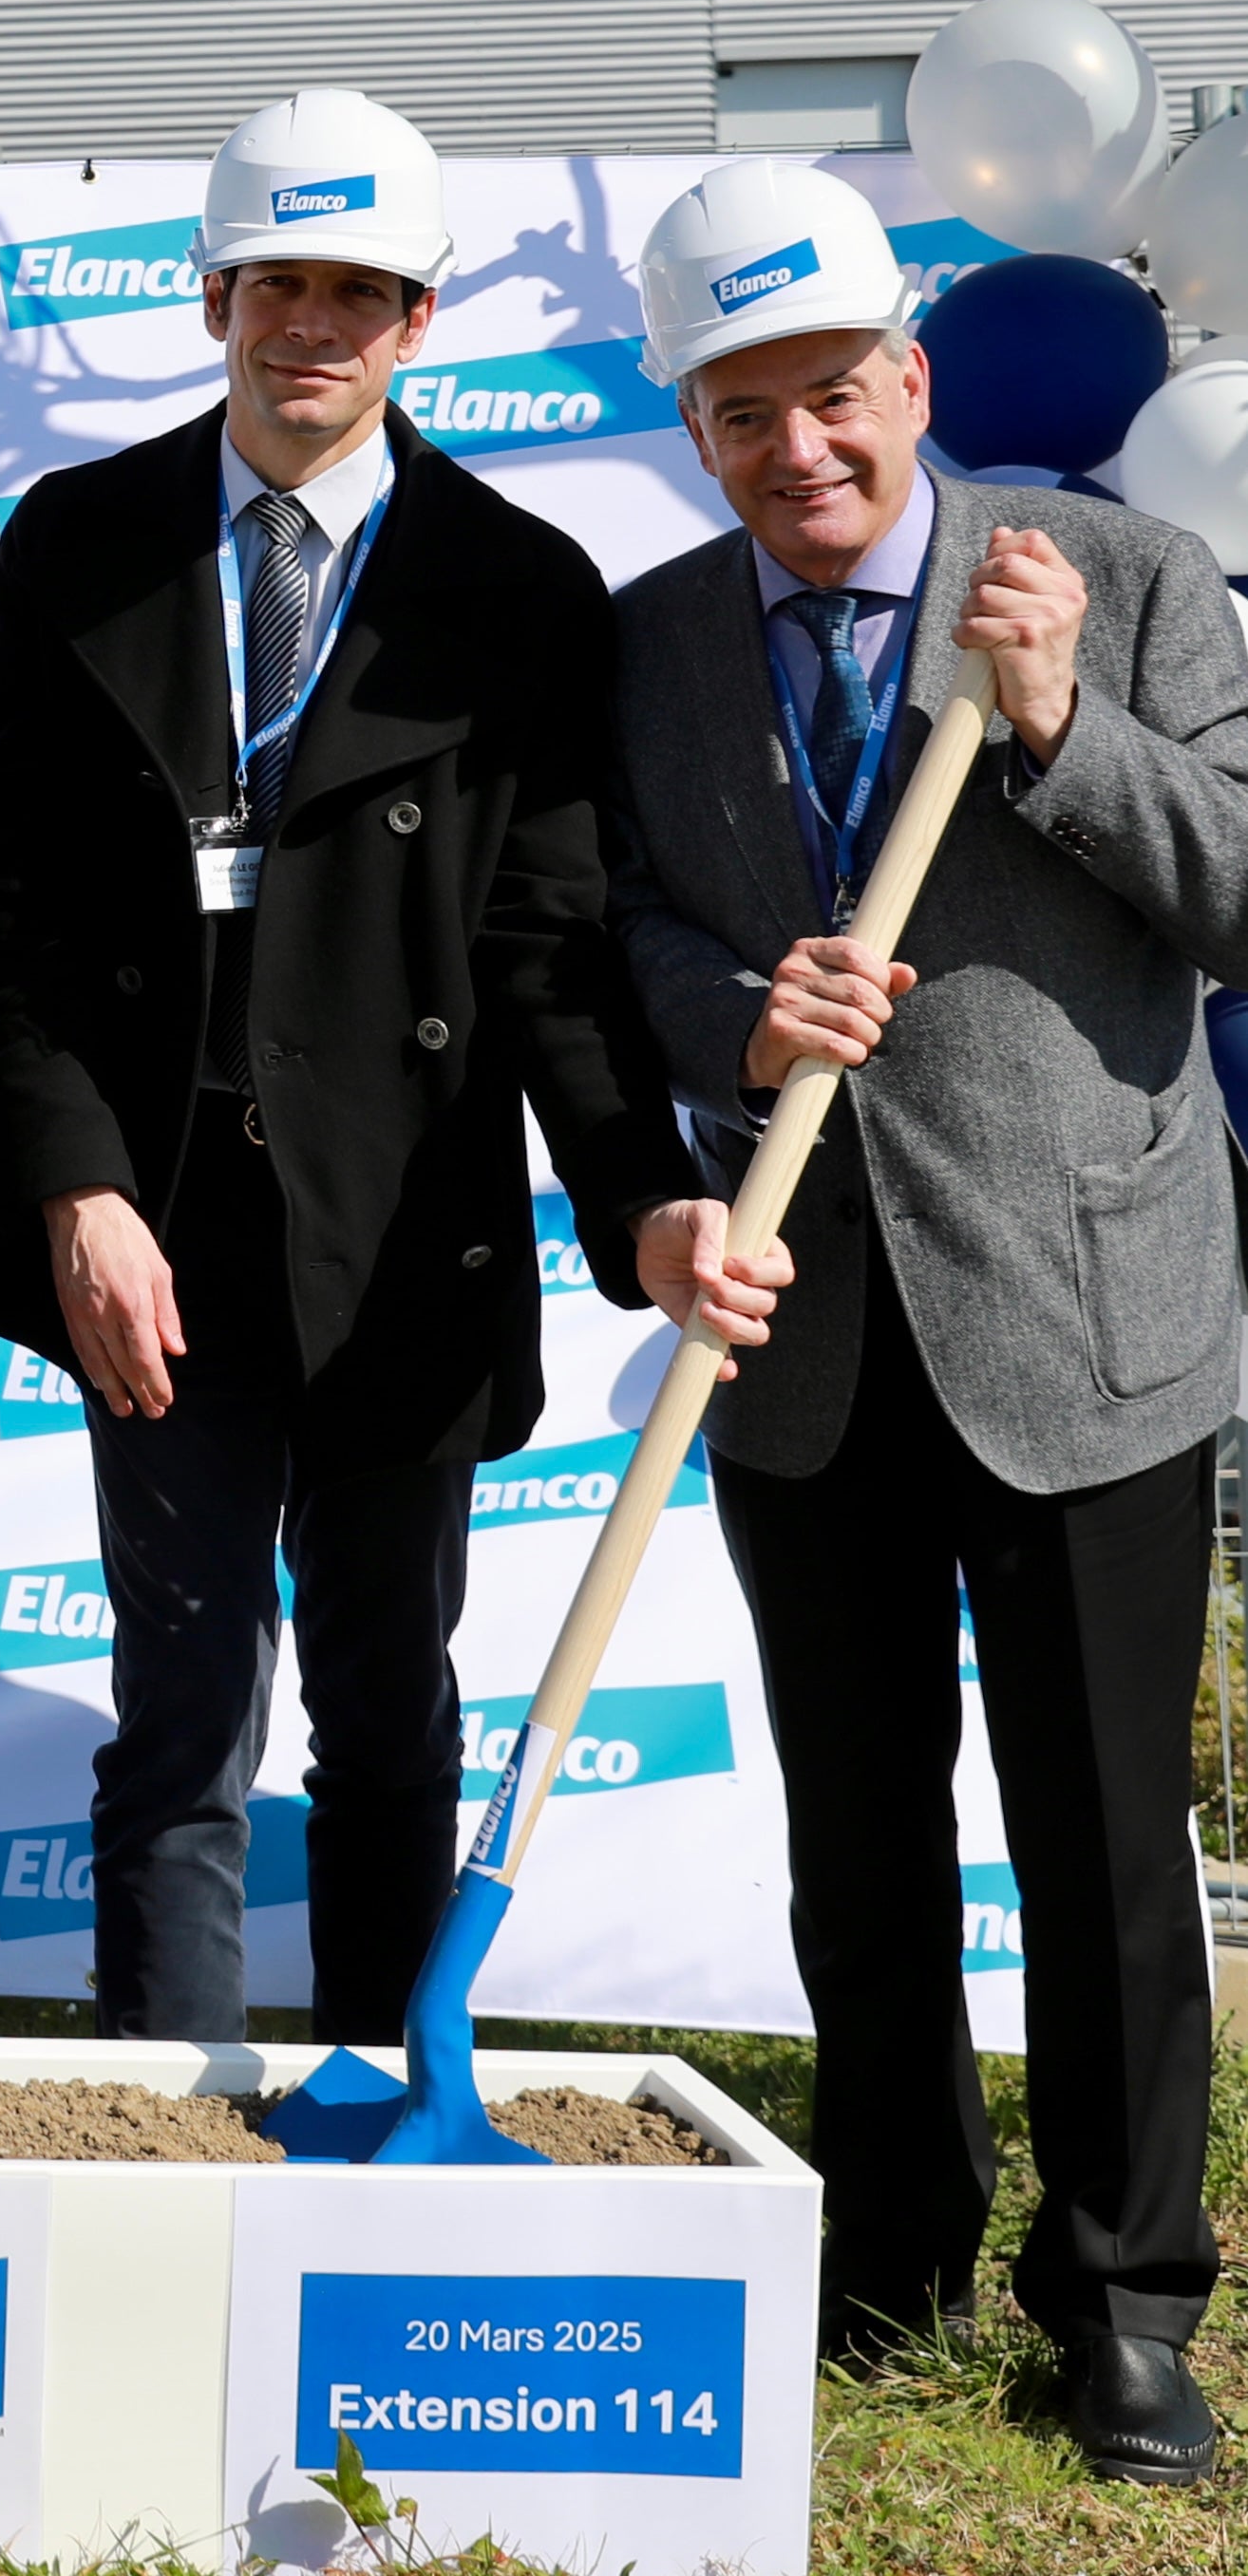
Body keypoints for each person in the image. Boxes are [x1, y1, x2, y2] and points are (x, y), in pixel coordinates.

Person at [0, 87, 759, 2049]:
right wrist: (76, 1190)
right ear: (211, 297)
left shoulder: (512, 582)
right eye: (276, 285)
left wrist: (640, 1199)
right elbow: (24, 912)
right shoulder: (75, 545)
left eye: (356, 293)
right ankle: (159, 2126)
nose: (309, 325)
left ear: (418, 320)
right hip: (158, 1221)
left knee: (389, 1706)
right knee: (178, 1710)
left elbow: (548, 951)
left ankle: (396, 2115)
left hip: (405, 1227)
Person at [605, 160, 1233, 2480]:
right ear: (692, 426)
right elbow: (622, 931)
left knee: (1101, 1842)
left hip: (1085, 1321)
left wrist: (1061, 728)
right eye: (742, 409)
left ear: (911, 376)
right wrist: (737, 1014)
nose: (799, 448)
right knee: (858, 1840)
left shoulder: (1116, 582)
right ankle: (888, 2254)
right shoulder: (653, 642)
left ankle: (1125, 2298)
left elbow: (1244, 894)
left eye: (834, 393)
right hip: (805, 1319)